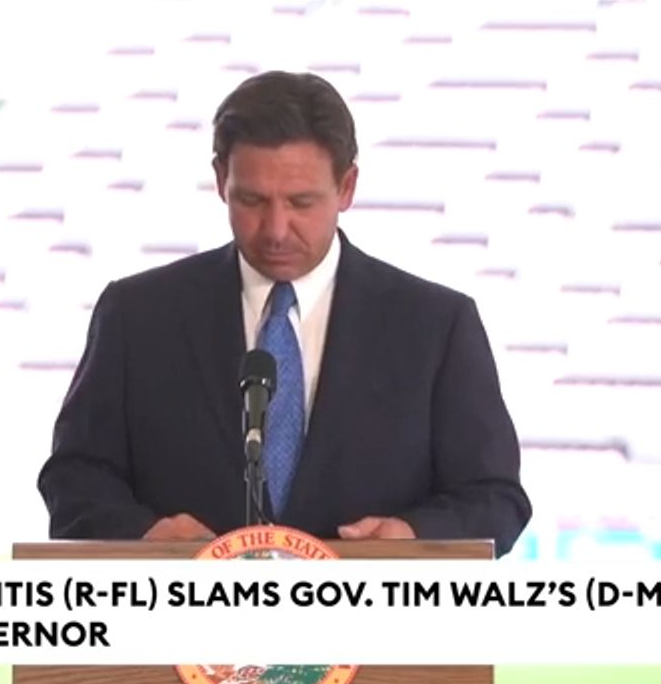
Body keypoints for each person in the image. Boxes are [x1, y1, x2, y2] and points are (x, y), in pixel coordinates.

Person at [38, 71, 531, 556]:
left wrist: (410, 537)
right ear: (220, 180)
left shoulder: (436, 326)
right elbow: (74, 480)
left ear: (347, 187)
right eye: (252, 200)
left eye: (301, 202)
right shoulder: (138, 316)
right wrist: (143, 536)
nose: (275, 230)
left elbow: (494, 498)